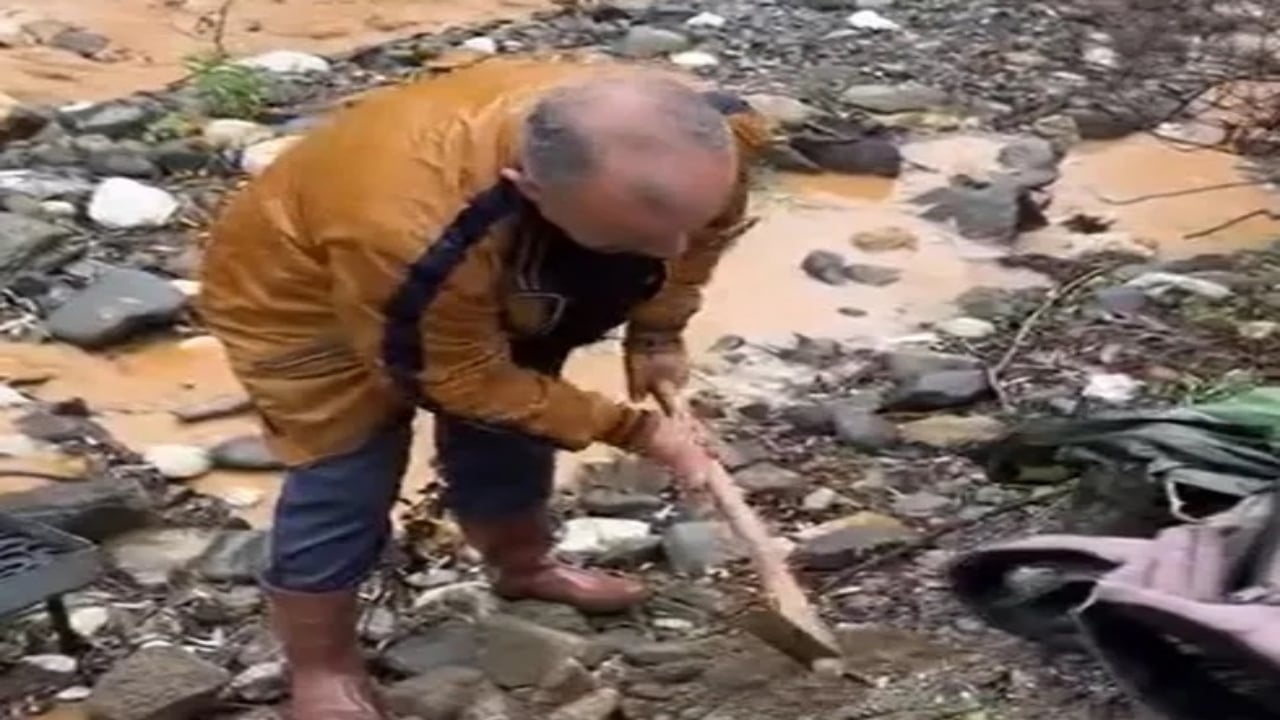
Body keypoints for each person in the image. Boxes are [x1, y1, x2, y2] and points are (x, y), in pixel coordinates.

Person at [198, 56, 769, 719]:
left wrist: (658, 333)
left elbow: (696, 239)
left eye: (685, 228)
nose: (673, 250)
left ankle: (522, 567)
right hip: (302, 292)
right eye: (638, 239)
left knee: (519, 419)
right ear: (526, 186)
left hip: (508, 263)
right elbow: (460, 379)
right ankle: (321, 667)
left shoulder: (713, 137)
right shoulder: (408, 228)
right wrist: (637, 431)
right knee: (347, 470)